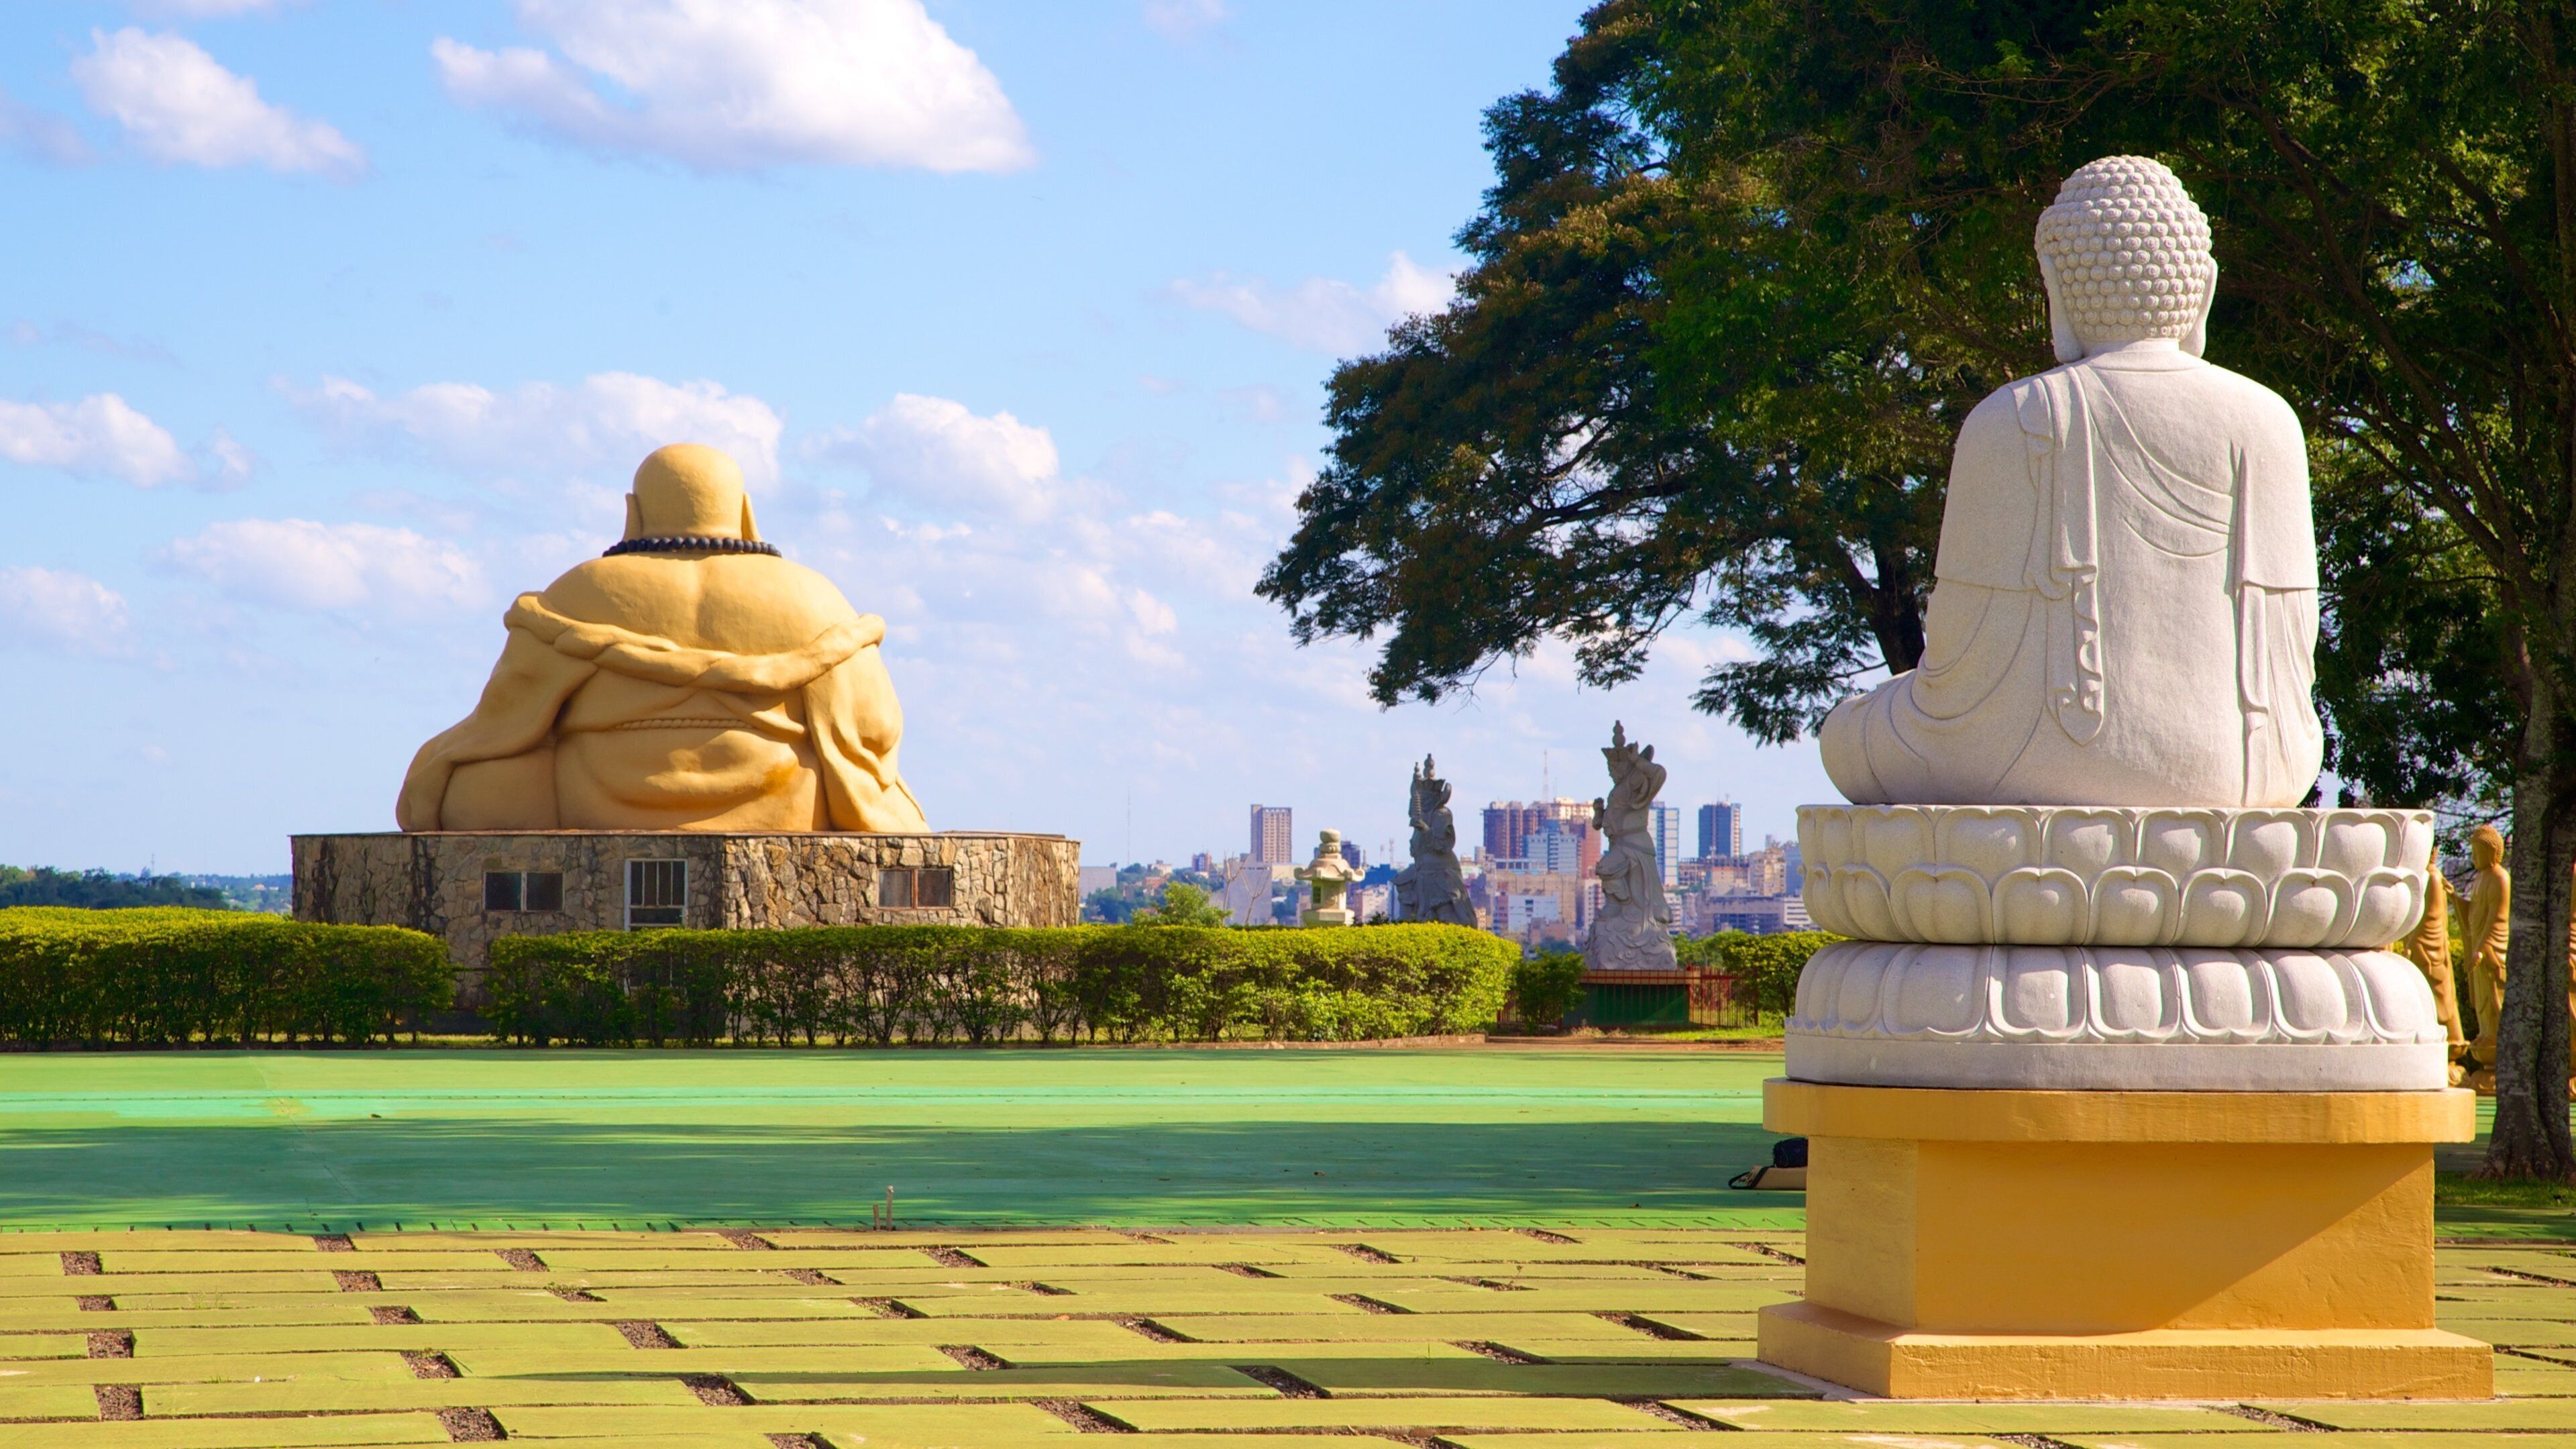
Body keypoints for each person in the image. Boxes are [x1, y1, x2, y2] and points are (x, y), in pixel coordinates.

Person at [1821, 156, 2320, 808]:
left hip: (2030, 761)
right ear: (2203, 290)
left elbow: (1960, 661)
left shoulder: (2012, 419)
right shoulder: (2268, 421)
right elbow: (2289, 657)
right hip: (2249, 770)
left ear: (2055, 284)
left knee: (1848, 733)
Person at [398, 443, 926, 833]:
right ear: (745, 513)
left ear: (634, 513)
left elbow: (502, 721)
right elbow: (872, 733)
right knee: (892, 807)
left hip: (597, 803)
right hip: (784, 802)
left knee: (480, 792)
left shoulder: (581, 591)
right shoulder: (811, 596)